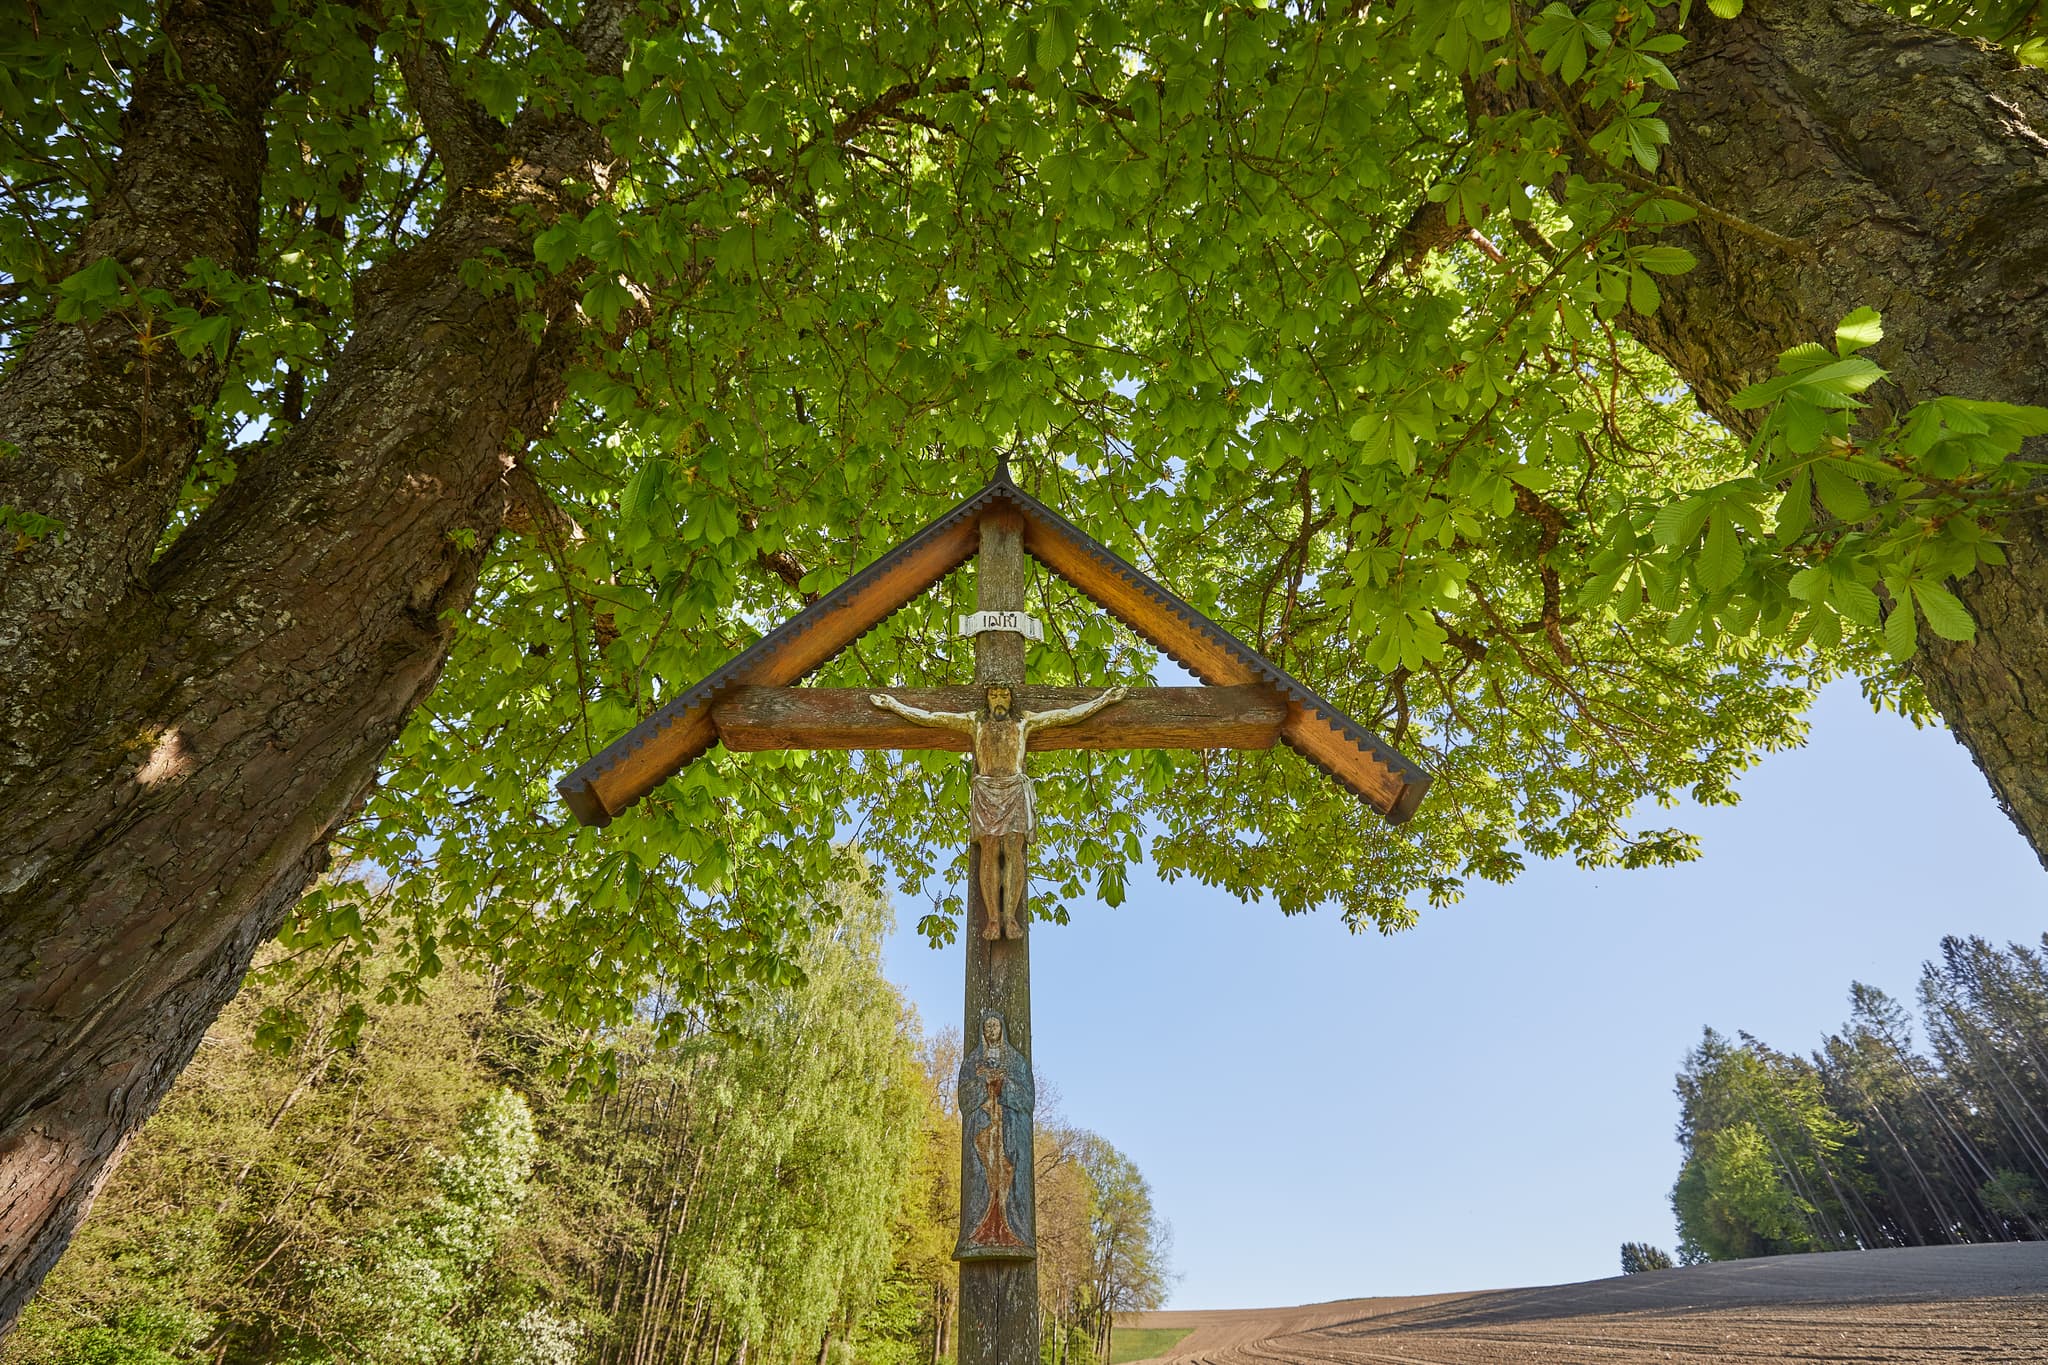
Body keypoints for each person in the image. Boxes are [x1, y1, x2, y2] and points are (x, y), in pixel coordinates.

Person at [869, 683, 1126, 937]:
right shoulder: (974, 722)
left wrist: (1103, 701)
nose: (999, 699)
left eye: (1004, 695)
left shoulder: (1024, 722)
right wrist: (894, 705)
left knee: (1014, 850)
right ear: (987, 700)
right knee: (990, 850)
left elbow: (1067, 715)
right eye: (994, 695)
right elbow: (932, 718)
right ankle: (993, 920)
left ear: (1012, 699)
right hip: (986, 791)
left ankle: (1010, 918)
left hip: (1014, 788)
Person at [958, 1010, 1035, 1254]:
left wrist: (1003, 1084)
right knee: (982, 1177)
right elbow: (964, 1096)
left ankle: (1013, 1232)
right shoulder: (972, 1062)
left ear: (1002, 1029)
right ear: (982, 1031)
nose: (991, 1031)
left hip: (1007, 1130)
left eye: (995, 1026)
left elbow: (1027, 1099)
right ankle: (978, 1233)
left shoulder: (1016, 1062)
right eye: (987, 1027)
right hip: (984, 1129)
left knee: (1008, 1173)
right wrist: (983, 1082)